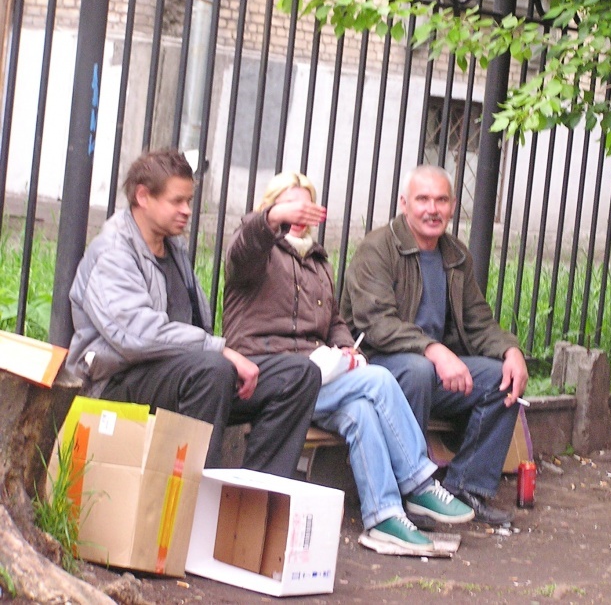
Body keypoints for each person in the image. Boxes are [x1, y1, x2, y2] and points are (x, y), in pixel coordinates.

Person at [222, 172, 474, 552]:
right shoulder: (255, 254)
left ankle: (384, 518)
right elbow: (245, 245)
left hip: (316, 378)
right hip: (267, 377)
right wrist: (272, 217)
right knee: (377, 381)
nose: (300, 214)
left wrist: (345, 349)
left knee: (361, 411)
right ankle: (420, 482)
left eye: (306, 205)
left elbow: (335, 321)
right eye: (291, 205)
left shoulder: (317, 261)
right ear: (269, 208)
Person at [67, 149, 321, 478]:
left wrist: (216, 354)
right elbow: (134, 336)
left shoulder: (173, 248)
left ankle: (252, 500)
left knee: (299, 376)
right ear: (143, 196)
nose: (187, 210)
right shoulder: (114, 251)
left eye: (189, 200)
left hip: (187, 375)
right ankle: (193, 503)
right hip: (119, 381)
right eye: (177, 201)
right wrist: (219, 349)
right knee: (212, 368)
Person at [340, 164, 529, 525]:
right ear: (404, 203)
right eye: (423, 199)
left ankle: (464, 487)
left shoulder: (455, 254)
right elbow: (375, 323)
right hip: (379, 365)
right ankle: (408, 491)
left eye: (441, 200)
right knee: (417, 369)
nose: (432, 209)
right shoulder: (377, 249)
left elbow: (478, 321)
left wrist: (511, 351)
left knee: (499, 378)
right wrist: (435, 350)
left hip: (435, 371)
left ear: (453, 205)